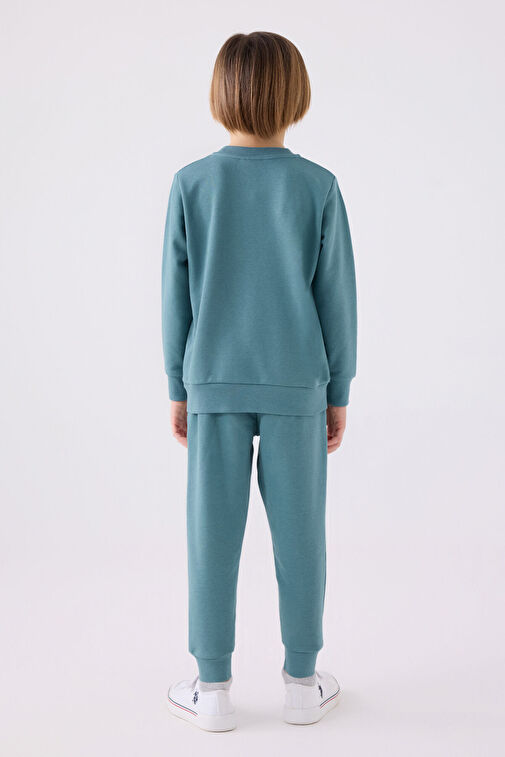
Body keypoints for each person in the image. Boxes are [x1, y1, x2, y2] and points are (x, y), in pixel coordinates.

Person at [162, 31, 357, 731]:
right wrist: (338, 390)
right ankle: (302, 683)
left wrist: (178, 385)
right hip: (297, 384)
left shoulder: (191, 184)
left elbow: (175, 296)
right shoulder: (317, 186)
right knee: (301, 534)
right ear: (294, 94)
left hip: (213, 383)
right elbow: (337, 299)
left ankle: (212, 688)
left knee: (210, 537)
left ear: (221, 93)